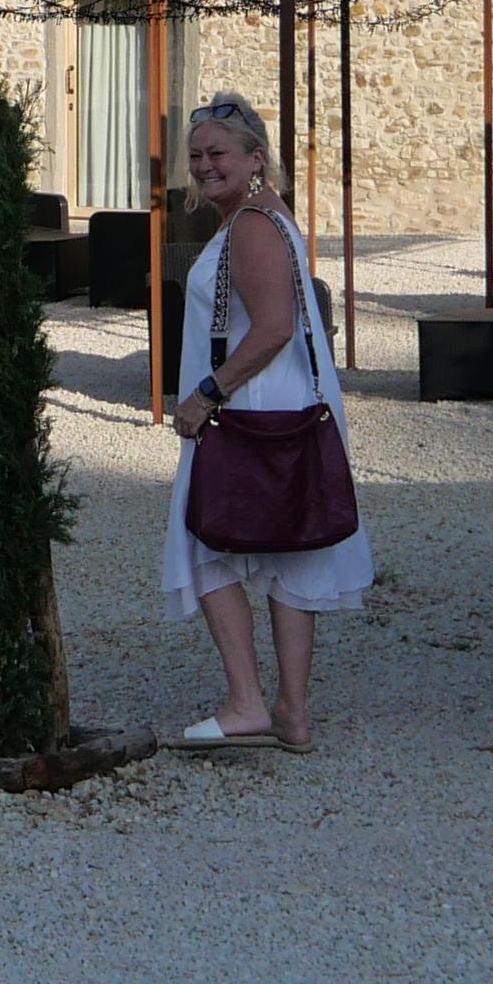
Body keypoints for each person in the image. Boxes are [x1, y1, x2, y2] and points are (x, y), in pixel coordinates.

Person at [159, 90, 367, 752]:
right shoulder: (265, 216)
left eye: (217, 153)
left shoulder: (251, 224)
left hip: (247, 409)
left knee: (207, 545)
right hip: (285, 407)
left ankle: (247, 702)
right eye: (195, 156)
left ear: (255, 158)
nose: (203, 166)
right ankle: (291, 714)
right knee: (291, 555)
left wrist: (205, 395)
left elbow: (275, 326)